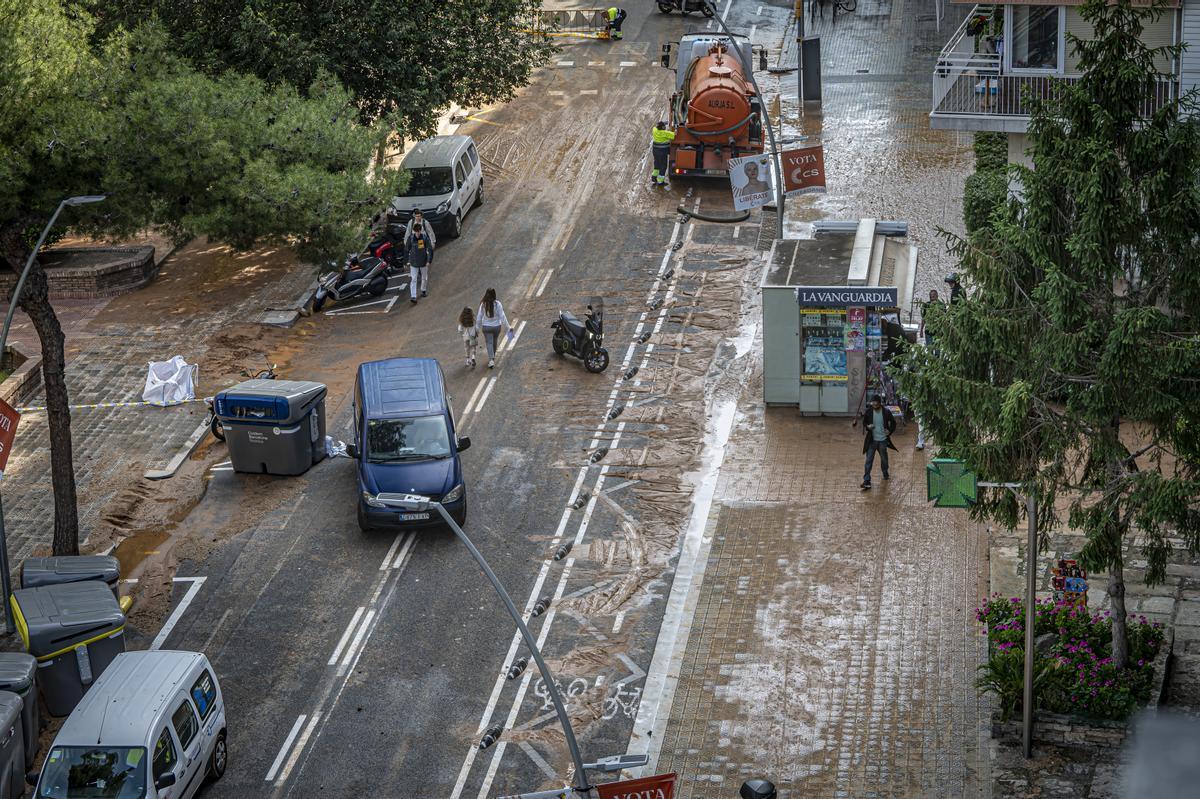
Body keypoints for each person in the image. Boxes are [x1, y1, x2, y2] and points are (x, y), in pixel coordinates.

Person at [860, 393, 897, 490]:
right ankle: (867, 480)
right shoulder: (868, 412)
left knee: (884, 460)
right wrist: (868, 426)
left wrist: (889, 431)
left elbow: (893, 422)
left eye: (876, 404)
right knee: (868, 460)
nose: (874, 406)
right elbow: (864, 422)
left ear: (880, 403)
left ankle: (885, 472)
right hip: (872, 441)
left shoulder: (886, 412)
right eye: (873, 404)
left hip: (883, 441)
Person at [476, 288, 512, 369]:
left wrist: (477, 329)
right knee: (494, 341)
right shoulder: (497, 304)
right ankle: (493, 357)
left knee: (489, 343)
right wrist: (508, 327)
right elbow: (502, 316)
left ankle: (491, 360)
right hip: (496, 327)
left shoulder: (483, 304)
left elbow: (479, 317)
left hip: (486, 327)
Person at [404, 218, 434, 303]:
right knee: (413, 279)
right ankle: (413, 296)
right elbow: (406, 250)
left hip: (423, 262)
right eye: (416, 231)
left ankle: (423, 290)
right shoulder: (410, 239)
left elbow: (430, 249)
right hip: (414, 263)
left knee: (424, 277)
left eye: (418, 231)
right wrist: (405, 262)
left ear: (421, 231)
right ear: (414, 231)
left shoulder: (424, 238)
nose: (417, 233)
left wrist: (429, 261)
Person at [650, 121, 675, 188]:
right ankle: (660, 181)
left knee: (657, 164)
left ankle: (654, 177)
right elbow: (674, 135)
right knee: (663, 166)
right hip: (662, 153)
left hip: (655, 151)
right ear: (663, 127)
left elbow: (655, 126)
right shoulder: (665, 133)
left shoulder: (654, 130)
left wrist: (663, 123)